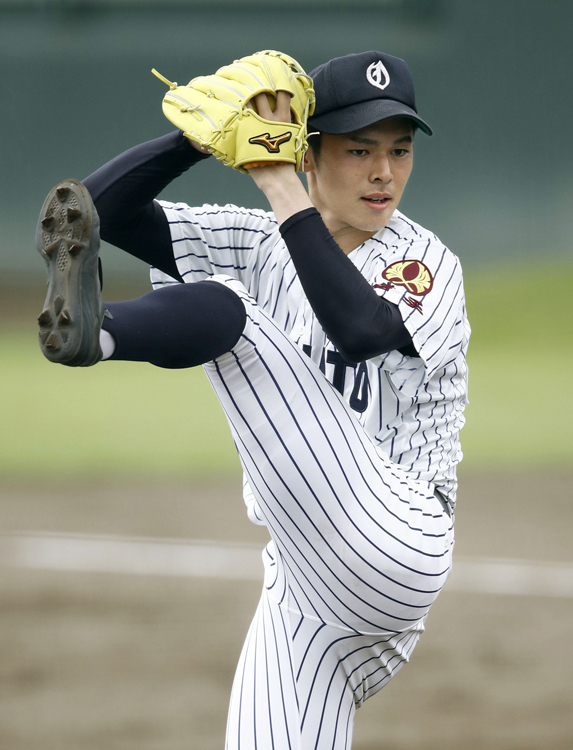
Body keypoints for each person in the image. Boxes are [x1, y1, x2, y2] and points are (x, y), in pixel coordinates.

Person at [36, 50, 469, 750]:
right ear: (308, 151)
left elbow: (359, 329)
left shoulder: (421, 263)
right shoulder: (254, 241)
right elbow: (93, 211)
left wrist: (274, 181)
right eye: (359, 149)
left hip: (397, 534)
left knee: (230, 311)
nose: (383, 172)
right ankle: (96, 328)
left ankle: (100, 333)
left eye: (398, 149)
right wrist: (200, 137)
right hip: (303, 585)